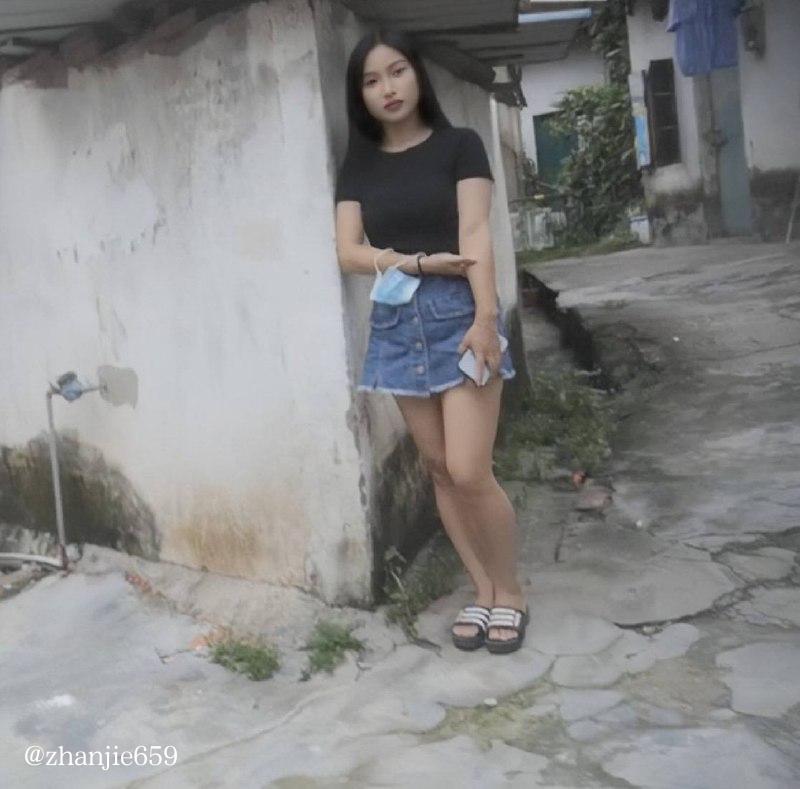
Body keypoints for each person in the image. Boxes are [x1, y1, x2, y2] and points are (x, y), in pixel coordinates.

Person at [333, 29, 529, 654]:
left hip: (460, 314)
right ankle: (482, 589)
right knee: (440, 469)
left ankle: (511, 592)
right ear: (360, 95)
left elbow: (476, 232)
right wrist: (414, 262)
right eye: (371, 80)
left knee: (470, 469)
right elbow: (347, 252)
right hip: (397, 322)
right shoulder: (359, 164)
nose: (387, 88)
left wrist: (486, 317)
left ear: (417, 75)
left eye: (397, 72)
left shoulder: (459, 145)